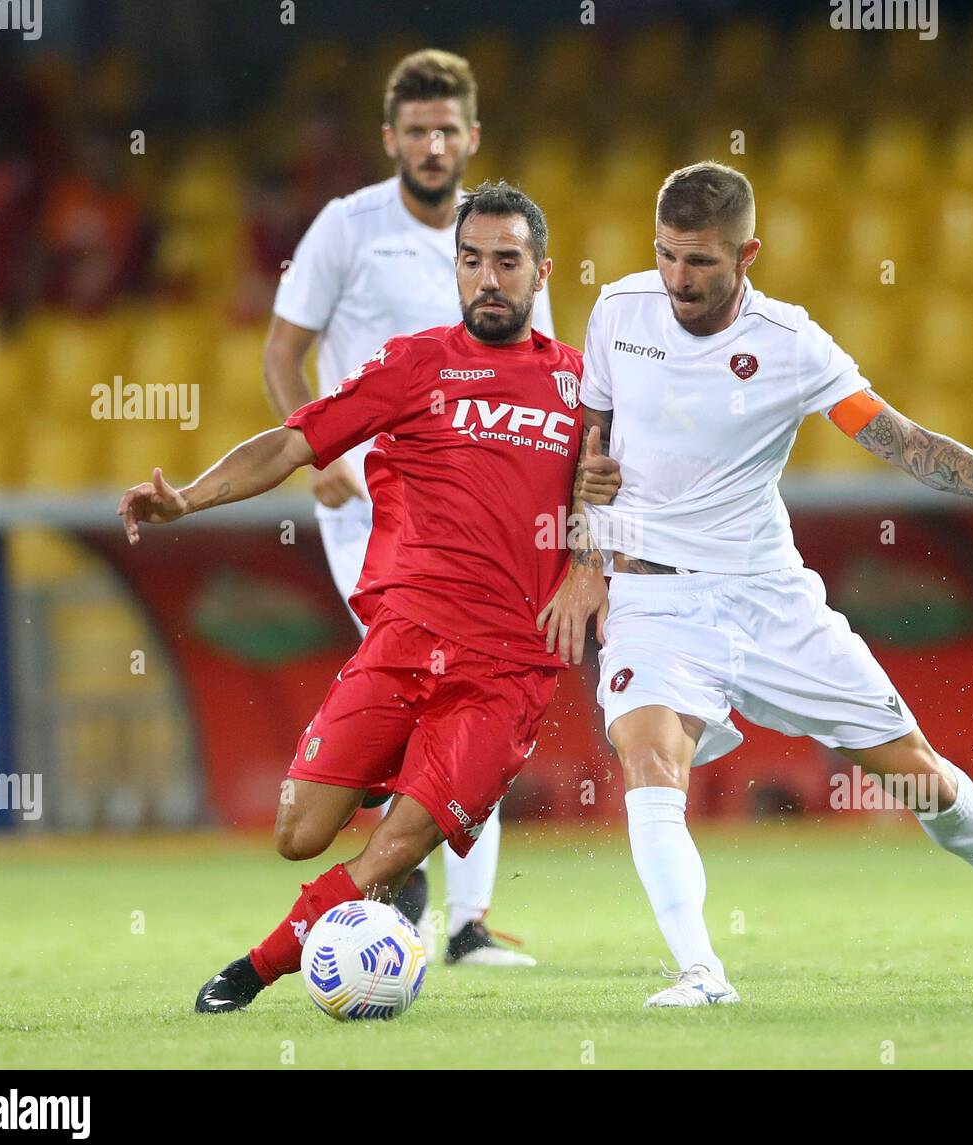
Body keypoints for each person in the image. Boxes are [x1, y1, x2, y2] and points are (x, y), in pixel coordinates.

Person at [541, 162, 973, 1007]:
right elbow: (593, 436)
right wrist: (585, 562)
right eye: (666, 255)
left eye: (700, 261)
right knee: (649, 753)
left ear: (749, 253)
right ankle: (702, 972)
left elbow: (893, 436)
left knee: (916, 774)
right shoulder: (617, 312)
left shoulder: (792, 344)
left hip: (767, 597)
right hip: (652, 599)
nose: (678, 279)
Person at [119, 183, 618, 1012]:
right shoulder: (413, 364)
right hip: (401, 642)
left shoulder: (579, 386)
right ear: (452, 268)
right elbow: (292, 441)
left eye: (507, 261)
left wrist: (587, 561)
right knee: (297, 831)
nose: (488, 278)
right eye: (472, 261)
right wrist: (188, 500)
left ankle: (259, 964)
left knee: (387, 854)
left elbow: (610, 493)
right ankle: (402, 783)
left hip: (504, 673)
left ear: (542, 271)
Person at [262, 50, 556, 965]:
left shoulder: (497, 240)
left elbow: (546, 376)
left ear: (472, 136)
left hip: (477, 515)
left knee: (473, 676)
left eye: (448, 129)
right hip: (367, 507)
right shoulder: (346, 228)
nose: (433, 144)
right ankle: (401, 865)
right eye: (416, 130)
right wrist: (318, 456)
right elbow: (283, 352)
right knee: (428, 674)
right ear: (391, 138)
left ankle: (458, 918)